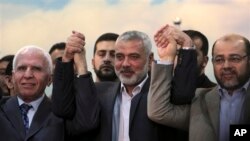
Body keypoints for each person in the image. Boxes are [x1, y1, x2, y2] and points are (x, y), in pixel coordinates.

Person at [52, 30, 180, 141]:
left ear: (150, 59)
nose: (125, 64)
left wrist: (184, 48)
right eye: (119, 57)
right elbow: (63, 109)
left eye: (133, 57)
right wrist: (68, 58)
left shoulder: (162, 93)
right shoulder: (98, 92)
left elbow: (184, 93)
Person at [147, 24, 250, 141]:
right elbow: (158, 112)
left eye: (235, 58)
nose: (226, 66)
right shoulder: (201, 100)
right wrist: (166, 58)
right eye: (219, 59)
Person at [0, 45, 99, 141]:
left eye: (36, 69)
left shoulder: (60, 114)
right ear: (12, 77)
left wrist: (81, 67)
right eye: (22, 68)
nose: (28, 75)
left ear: (49, 79)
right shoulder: (2, 108)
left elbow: (87, 123)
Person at [171, 30, 217, 104]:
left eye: (191, 54)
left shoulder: (215, 94)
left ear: (205, 61)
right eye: (178, 53)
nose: (183, 59)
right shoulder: (166, 91)